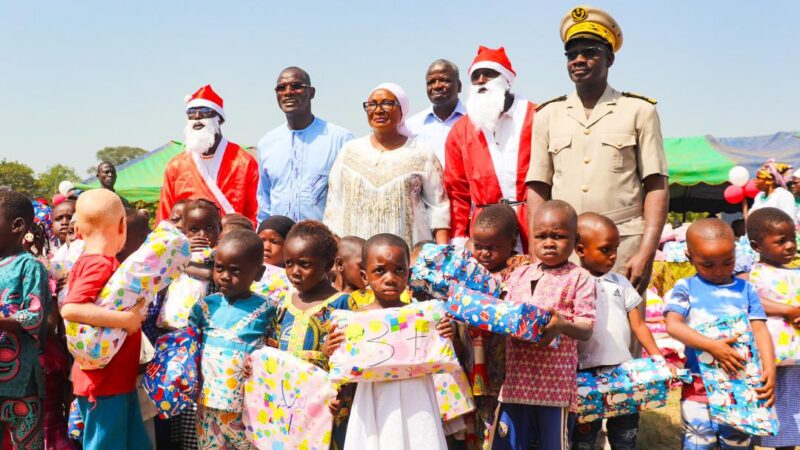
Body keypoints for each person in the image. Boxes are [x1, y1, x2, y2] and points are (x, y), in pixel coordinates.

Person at [527, 6, 669, 295]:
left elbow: (656, 185)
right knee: (567, 334)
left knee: (621, 334)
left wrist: (646, 251)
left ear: (609, 58)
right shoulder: (547, 115)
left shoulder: (639, 111)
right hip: (565, 248)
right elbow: (538, 188)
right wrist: (535, 250)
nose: (578, 60)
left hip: (621, 247)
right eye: (571, 54)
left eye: (589, 52)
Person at [324, 233, 455, 450]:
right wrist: (330, 349)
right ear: (365, 277)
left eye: (399, 270)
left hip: (417, 395)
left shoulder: (423, 315)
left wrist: (445, 334)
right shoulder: (354, 320)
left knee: (420, 439)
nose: (390, 278)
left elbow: (444, 356)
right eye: (380, 271)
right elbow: (341, 366)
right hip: (372, 397)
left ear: (408, 273)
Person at [492, 200, 595, 450]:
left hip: (555, 387)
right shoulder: (519, 275)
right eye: (541, 236)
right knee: (507, 443)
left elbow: (587, 327)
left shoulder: (579, 277)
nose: (549, 242)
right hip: (516, 382)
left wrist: (561, 325)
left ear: (575, 239)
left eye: (558, 236)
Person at [664, 218, 775, 449]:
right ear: (690, 256)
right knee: (698, 442)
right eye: (708, 264)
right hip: (698, 389)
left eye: (728, 262)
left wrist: (769, 369)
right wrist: (712, 346)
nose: (719, 271)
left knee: (737, 443)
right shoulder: (686, 287)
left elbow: (760, 329)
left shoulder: (746, 289)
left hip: (741, 388)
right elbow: (673, 325)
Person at [59, 189, 151, 450]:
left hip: (116, 379)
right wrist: (125, 320)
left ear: (77, 231)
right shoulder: (99, 263)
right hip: (103, 384)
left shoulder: (89, 262)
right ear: (123, 226)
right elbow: (72, 308)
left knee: (136, 444)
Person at [572, 212, 666, 450]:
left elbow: (638, 324)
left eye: (616, 248)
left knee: (625, 436)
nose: (613, 255)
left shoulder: (620, 282)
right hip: (584, 375)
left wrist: (657, 357)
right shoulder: (572, 283)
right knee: (583, 439)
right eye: (605, 249)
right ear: (581, 249)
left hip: (623, 374)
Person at [324, 83, 451, 248]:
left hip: (408, 259)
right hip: (356, 259)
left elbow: (438, 207)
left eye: (387, 103)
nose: (378, 110)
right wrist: (340, 254)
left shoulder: (421, 152)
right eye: (372, 104)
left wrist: (442, 254)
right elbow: (334, 207)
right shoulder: (349, 151)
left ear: (402, 111)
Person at [267, 220, 354, 448]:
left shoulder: (343, 305)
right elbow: (272, 352)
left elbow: (351, 360)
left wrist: (344, 395)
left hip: (325, 405)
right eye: (289, 264)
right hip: (285, 404)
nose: (295, 272)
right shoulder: (282, 303)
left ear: (328, 264)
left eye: (304, 264)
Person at [444, 46, 536, 251]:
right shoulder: (461, 131)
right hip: (485, 236)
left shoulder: (536, 116)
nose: (481, 80)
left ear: (507, 79)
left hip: (533, 226)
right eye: (475, 76)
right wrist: (458, 238)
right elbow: (456, 192)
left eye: (489, 73)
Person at [188, 230, 274, 449]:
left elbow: (273, 351)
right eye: (219, 268)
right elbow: (190, 344)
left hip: (246, 407)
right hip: (207, 405)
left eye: (235, 270)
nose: (225, 276)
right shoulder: (204, 306)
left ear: (258, 273)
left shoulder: (268, 309)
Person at [462, 204, 529, 449]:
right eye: (478, 246)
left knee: (507, 417)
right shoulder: (468, 269)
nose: (484, 254)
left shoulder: (522, 269)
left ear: (512, 242)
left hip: (508, 360)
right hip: (474, 357)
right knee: (479, 415)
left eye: (492, 248)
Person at [257, 67, 353, 223]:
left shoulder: (340, 139)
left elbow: (350, 199)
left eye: (296, 86)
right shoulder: (267, 143)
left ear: (312, 92)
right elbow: (264, 201)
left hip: (324, 241)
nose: (288, 92)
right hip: (280, 241)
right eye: (281, 88)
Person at [156, 85, 260, 224]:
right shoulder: (176, 165)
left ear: (219, 119)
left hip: (232, 241)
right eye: (191, 112)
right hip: (188, 243)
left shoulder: (244, 161)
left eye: (205, 111)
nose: (197, 116)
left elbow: (255, 212)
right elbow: (165, 215)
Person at [745, 208, 800, 450]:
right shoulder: (756, 274)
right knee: (777, 406)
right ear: (757, 246)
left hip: (796, 356)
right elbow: (754, 302)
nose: (790, 246)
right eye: (781, 241)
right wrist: (790, 311)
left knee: (793, 404)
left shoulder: (797, 273)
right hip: (772, 357)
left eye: (793, 239)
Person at [0, 191, 49, 449]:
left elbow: (34, 315)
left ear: (17, 226)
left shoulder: (29, 265)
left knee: (27, 443)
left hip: (21, 379)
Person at [406, 59, 466, 166]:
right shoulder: (411, 126)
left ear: (459, 86)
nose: (437, 86)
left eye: (444, 80)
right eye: (431, 82)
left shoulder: (475, 121)